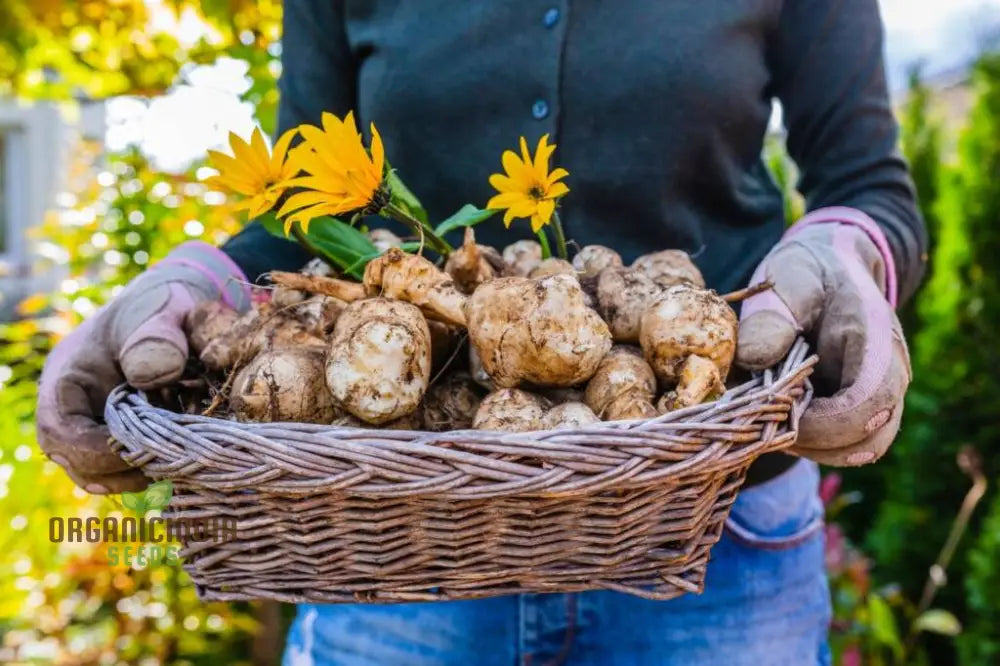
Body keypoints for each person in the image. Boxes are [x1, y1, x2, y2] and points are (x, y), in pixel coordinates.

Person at [37, 1, 924, 664]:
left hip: (714, 522)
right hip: (389, 535)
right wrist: (200, 279)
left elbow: (865, 181)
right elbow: (299, 215)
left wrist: (845, 253)